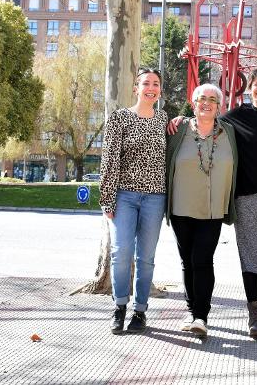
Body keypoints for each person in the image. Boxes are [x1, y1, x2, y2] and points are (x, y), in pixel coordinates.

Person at [168, 66, 257, 338]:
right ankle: (251, 310)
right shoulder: (234, 118)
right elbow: (204, 122)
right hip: (243, 195)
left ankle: (248, 305)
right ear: (247, 88)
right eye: (256, 85)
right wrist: (181, 118)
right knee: (245, 251)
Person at [99, 68, 168, 335]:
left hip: (155, 197)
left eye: (156, 84)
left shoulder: (164, 120)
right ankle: (119, 308)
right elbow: (109, 159)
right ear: (136, 88)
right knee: (121, 253)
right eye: (146, 83)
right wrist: (107, 199)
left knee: (146, 258)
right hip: (124, 196)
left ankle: (140, 311)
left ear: (160, 90)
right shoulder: (120, 118)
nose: (151, 88)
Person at [166, 84, 238, 337]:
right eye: (201, 99)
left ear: (219, 106)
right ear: (193, 103)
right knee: (187, 261)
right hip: (181, 206)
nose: (206, 103)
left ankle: (200, 316)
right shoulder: (178, 129)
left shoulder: (229, 131)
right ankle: (191, 310)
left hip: (213, 208)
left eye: (212, 100)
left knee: (203, 259)